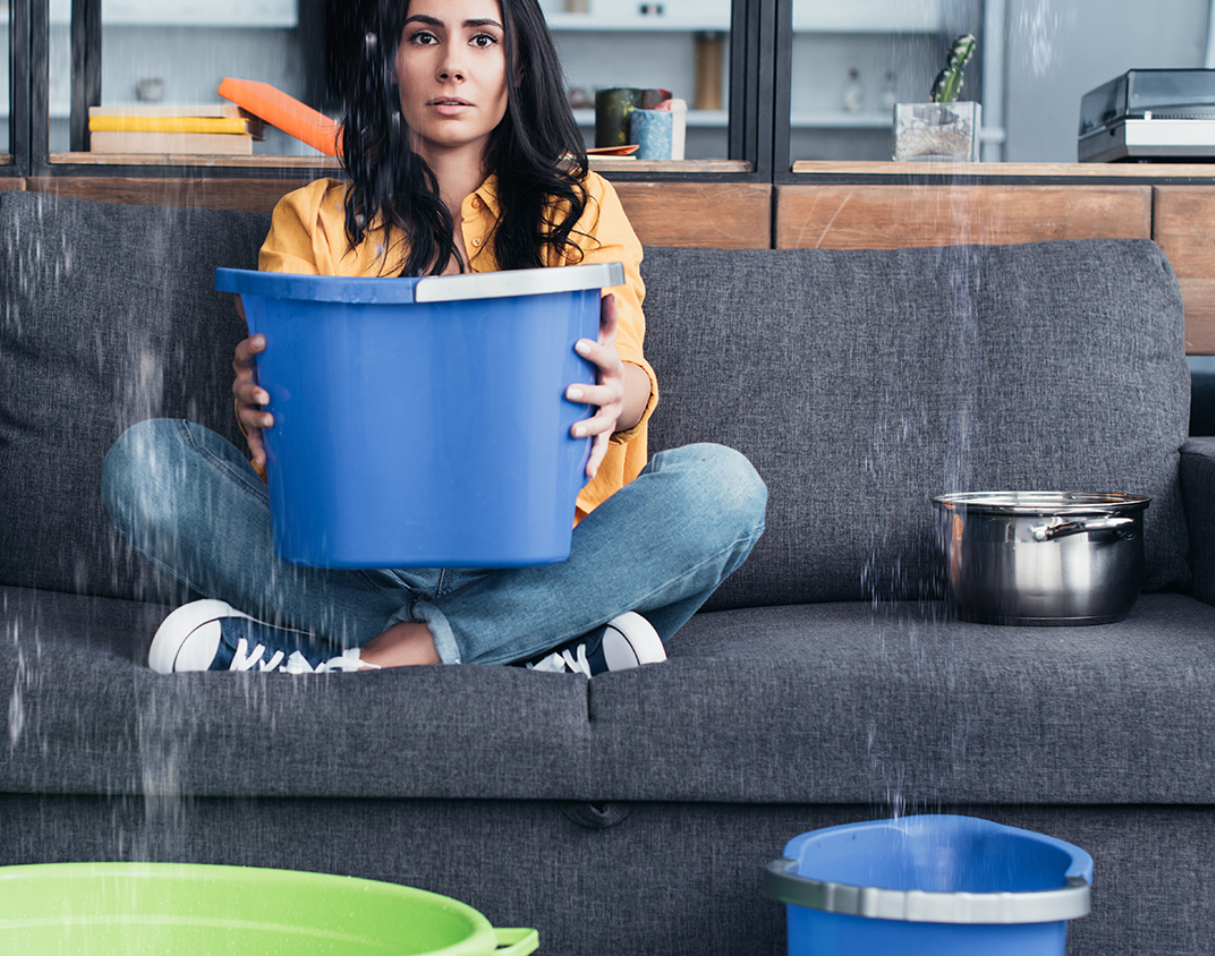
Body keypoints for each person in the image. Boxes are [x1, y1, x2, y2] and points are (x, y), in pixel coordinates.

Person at [101, 0, 766, 675]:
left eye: (482, 40)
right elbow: (295, 428)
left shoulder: (581, 205)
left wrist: (620, 391)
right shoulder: (311, 220)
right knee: (145, 462)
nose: (451, 66)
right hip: (361, 563)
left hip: (547, 553)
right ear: (391, 62)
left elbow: (627, 370)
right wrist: (269, 404)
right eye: (424, 37)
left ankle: (374, 653)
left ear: (519, 66)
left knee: (723, 490)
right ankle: (530, 646)